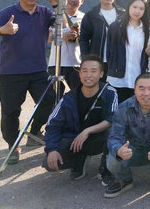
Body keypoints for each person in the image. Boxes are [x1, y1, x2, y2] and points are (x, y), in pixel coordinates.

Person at [0, 0, 58, 161]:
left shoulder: (45, 12)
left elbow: (62, 24)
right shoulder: (7, 13)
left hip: (38, 70)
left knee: (49, 100)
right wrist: (2, 30)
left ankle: (34, 132)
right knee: (10, 111)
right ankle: (13, 145)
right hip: (10, 72)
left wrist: (55, 4)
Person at [43, 55, 117, 183]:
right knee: (49, 163)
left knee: (113, 131)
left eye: (93, 71)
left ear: (101, 74)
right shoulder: (69, 98)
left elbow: (112, 119)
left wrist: (87, 131)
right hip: (74, 139)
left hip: (98, 138)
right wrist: (52, 150)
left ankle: (106, 168)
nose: (88, 75)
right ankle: (79, 160)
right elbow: (52, 125)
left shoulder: (109, 92)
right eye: (85, 71)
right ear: (80, 73)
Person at [106, 0, 150, 103]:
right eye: (134, 7)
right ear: (129, 7)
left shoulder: (147, 30)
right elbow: (108, 52)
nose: (137, 11)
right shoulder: (115, 27)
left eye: (141, 8)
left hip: (137, 78)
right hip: (117, 78)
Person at [79, 0, 125, 70]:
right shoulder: (91, 15)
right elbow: (83, 39)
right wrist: (85, 58)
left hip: (117, 62)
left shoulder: (123, 14)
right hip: (97, 61)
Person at [47, 0, 85, 91]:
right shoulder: (54, 15)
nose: (73, 0)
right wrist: (62, 35)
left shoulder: (85, 18)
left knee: (78, 96)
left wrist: (78, 36)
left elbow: (90, 39)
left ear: (82, 1)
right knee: (54, 98)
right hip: (55, 64)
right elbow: (46, 37)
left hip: (77, 64)